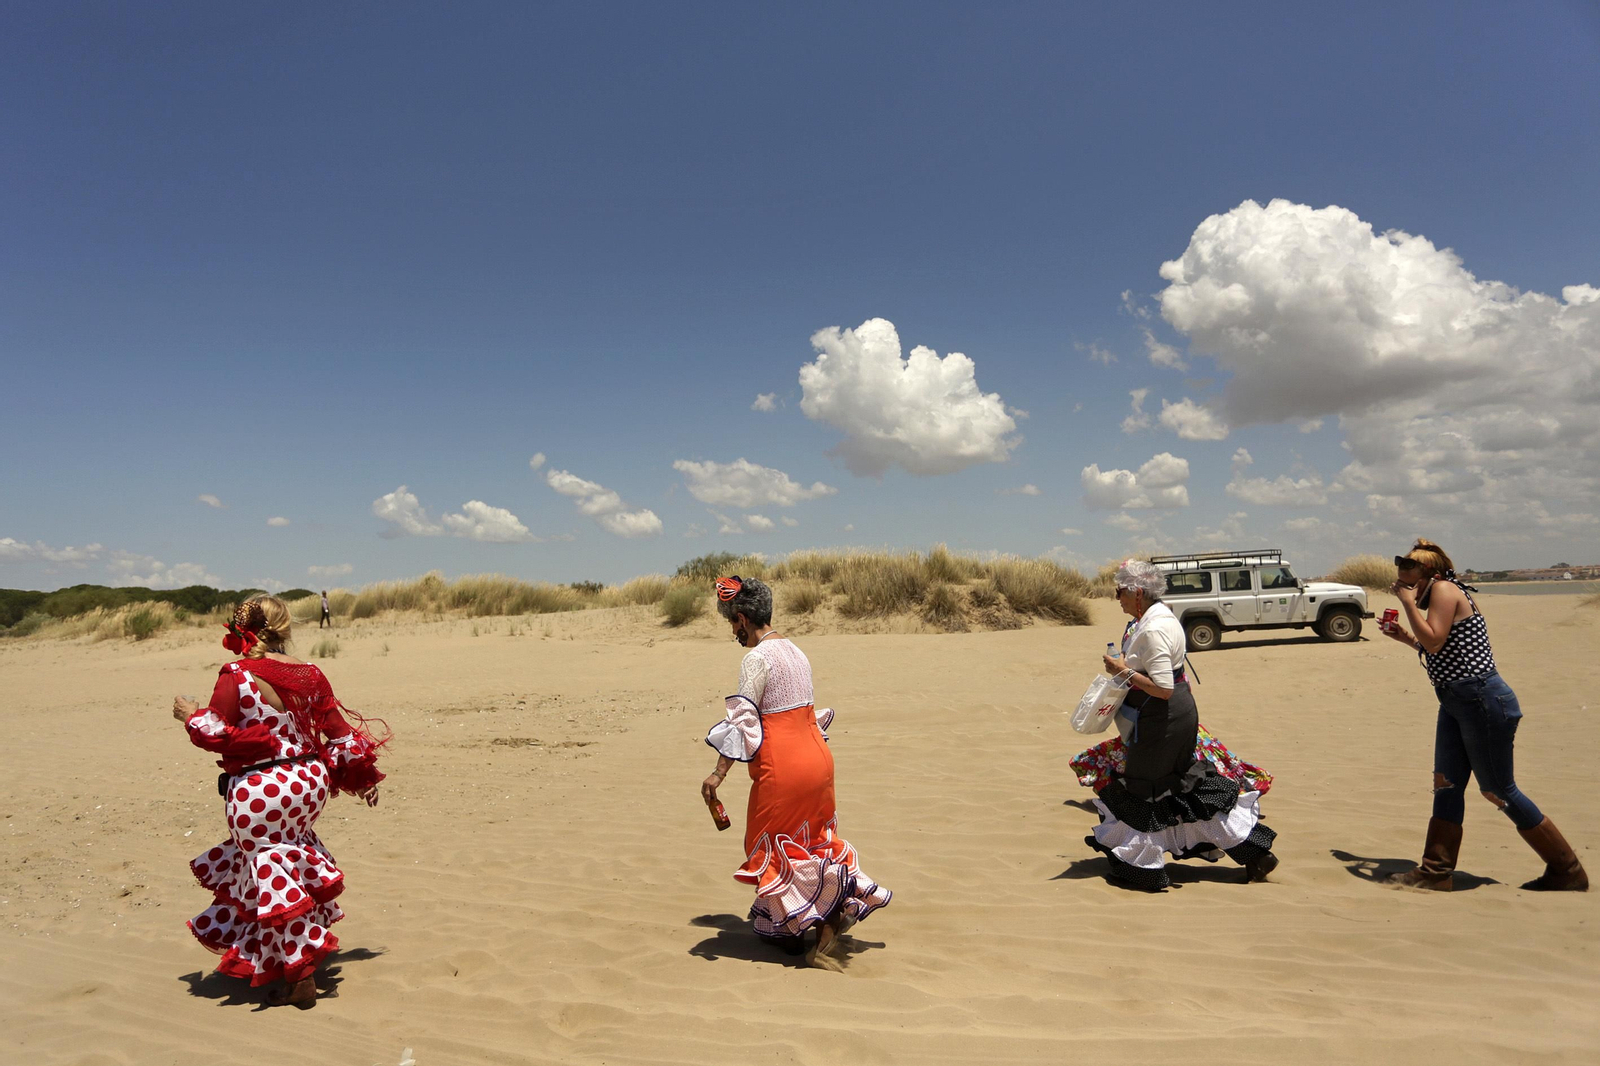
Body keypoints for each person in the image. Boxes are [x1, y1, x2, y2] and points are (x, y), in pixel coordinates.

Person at [172, 596, 388, 1006]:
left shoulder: (236, 672)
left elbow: (214, 731)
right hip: (308, 782)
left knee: (269, 869)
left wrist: (189, 716)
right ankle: (285, 952)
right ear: (285, 629)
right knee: (289, 860)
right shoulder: (309, 673)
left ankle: (300, 975)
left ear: (241, 631)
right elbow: (340, 733)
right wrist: (360, 779)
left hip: (261, 788)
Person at [702, 575, 891, 971]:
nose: (733, 633)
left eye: (732, 624)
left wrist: (717, 775)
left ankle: (810, 924)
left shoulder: (755, 659)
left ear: (742, 617)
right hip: (818, 760)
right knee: (813, 839)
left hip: (784, 766)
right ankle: (828, 907)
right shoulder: (796, 651)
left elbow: (743, 721)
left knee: (769, 843)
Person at [1379, 540, 1587, 892]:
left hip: (1481, 701)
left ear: (1428, 572)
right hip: (1456, 701)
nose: (1402, 569)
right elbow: (1443, 649)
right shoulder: (1435, 593)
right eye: (1400, 562)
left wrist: (1407, 604)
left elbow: (1434, 642)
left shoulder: (1444, 590)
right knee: (1445, 784)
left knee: (1497, 789)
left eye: (1409, 566)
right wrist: (1406, 639)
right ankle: (1435, 872)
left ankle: (1567, 870)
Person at [1081, 560, 1279, 890]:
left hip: (1163, 719)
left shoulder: (1154, 627)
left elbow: (1162, 687)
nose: (1117, 599)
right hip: (1169, 716)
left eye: (1120, 592)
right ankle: (1255, 853)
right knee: (1183, 786)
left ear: (1137, 593)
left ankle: (1142, 869)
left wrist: (1121, 669)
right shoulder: (1155, 617)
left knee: (1143, 790)